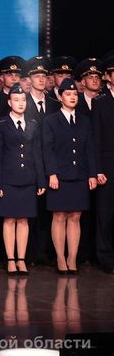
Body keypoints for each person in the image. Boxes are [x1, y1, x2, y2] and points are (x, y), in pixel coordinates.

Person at [43, 79, 100, 274]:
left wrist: (92, 174)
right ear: (60, 97)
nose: (72, 97)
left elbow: (90, 149)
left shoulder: (84, 120)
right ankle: (60, 258)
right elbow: (47, 150)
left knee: (75, 216)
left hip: (80, 174)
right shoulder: (51, 120)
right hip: (60, 175)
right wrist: (52, 173)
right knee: (59, 216)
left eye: (75, 94)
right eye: (68, 94)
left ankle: (72, 259)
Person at [0, 85, 46, 276]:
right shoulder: (1, 124)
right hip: (8, 178)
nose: (20, 103)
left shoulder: (33, 123)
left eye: (23, 100)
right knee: (9, 220)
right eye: (16, 100)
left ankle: (21, 259)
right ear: (9, 102)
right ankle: (10, 259)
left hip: (28, 178)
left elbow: (37, 153)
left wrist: (41, 180)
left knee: (23, 220)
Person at [93, 57, 114, 273]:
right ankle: (105, 257)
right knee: (105, 213)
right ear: (107, 76)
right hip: (108, 166)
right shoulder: (100, 103)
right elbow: (96, 139)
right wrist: (98, 169)